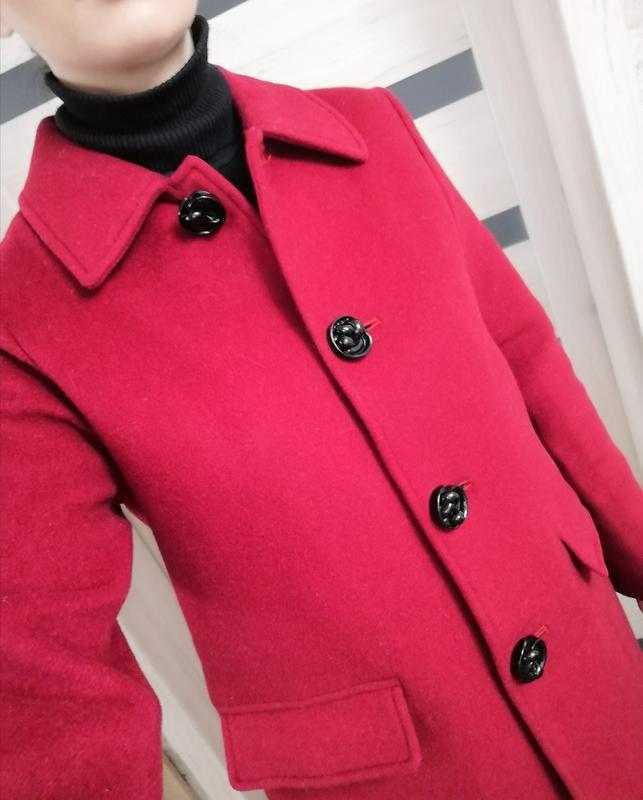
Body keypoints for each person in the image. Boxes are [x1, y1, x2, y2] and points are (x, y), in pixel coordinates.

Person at [1, 3, 642, 799]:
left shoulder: (374, 128)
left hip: (603, 683)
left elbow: (526, 359)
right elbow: (48, 685)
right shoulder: (24, 319)